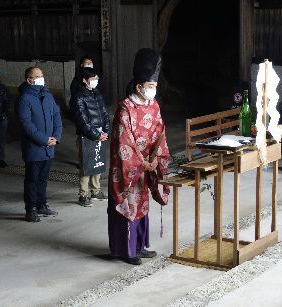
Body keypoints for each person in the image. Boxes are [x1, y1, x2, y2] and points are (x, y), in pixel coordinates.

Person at [108, 48, 170, 265]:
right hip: (129, 168)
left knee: (142, 205)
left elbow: (159, 132)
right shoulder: (125, 109)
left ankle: (141, 245)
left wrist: (156, 159)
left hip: (147, 165)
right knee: (128, 205)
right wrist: (140, 162)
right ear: (139, 87)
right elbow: (122, 141)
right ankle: (126, 251)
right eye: (150, 87)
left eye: (155, 86)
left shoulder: (153, 106)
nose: (153, 91)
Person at [17, 67, 62, 222]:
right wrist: (44, 140)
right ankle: (31, 209)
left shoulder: (48, 96)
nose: (41, 78)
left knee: (43, 179)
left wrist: (56, 137)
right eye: (37, 76)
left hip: (49, 147)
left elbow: (57, 116)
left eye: (42, 75)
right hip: (34, 148)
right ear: (29, 80)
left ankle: (42, 205)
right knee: (32, 179)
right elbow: (26, 124)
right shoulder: (24, 98)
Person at [70, 67, 110, 207]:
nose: (95, 81)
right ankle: (83, 194)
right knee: (86, 166)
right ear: (84, 80)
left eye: (96, 78)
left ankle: (95, 191)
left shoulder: (96, 93)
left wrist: (105, 131)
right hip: (86, 136)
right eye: (92, 79)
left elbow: (104, 113)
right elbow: (82, 120)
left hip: (100, 134)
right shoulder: (78, 96)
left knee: (97, 163)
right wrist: (95, 134)